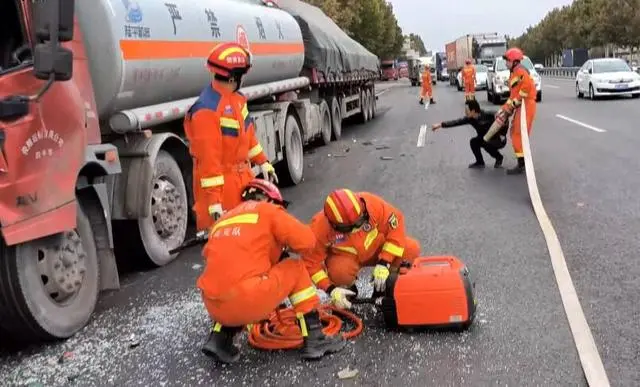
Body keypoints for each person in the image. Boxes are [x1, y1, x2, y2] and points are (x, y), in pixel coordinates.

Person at [197, 179, 346, 363]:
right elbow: (307, 241)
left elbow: (218, 260)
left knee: (231, 280)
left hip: (213, 305)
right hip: (247, 300)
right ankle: (316, 338)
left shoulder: (221, 222)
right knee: (295, 267)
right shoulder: (268, 211)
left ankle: (220, 339)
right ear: (270, 200)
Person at [184, 42, 278, 231]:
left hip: (243, 180)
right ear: (234, 76)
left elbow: (248, 136)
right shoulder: (206, 110)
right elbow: (209, 162)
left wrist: (263, 161)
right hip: (222, 190)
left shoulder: (237, 100)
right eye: (242, 74)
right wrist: (214, 202)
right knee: (227, 250)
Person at [303, 189, 421, 310]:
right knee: (339, 271)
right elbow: (311, 263)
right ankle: (347, 293)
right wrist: (330, 289)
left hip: (377, 248)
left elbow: (396, 224)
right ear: (333, 224)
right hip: (346, 258)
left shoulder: (372, 204)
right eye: (348, 228)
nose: (356, 229)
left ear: (363, 209)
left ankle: (387, 285)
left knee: (410, 248)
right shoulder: (318, 227)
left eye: (359, 222)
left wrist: (385, 262)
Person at [486, 47, 537, 175]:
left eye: (507, 60)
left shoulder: (520, 71)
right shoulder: (514, 72)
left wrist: (514, 104)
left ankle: (522, 163)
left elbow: (526, 88)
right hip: (522, 106)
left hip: (526, 106)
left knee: (518, 133)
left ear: (514, 61)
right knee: (515, 132)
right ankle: (522, 161)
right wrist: (503, 109)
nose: (506, 63)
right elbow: (512, 96)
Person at [431, 98, 507, 169]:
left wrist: (503, 134)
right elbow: (456, 122)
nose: (465, 112)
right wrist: (440, 125)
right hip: (485, 139)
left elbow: (504, 118)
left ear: (473, 111)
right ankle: (480, 162)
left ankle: (499, 158)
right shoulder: (470, 119)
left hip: (499, 139)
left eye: (467, 110)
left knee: (486, 142)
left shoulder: (488, 114)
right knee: (473, 141)